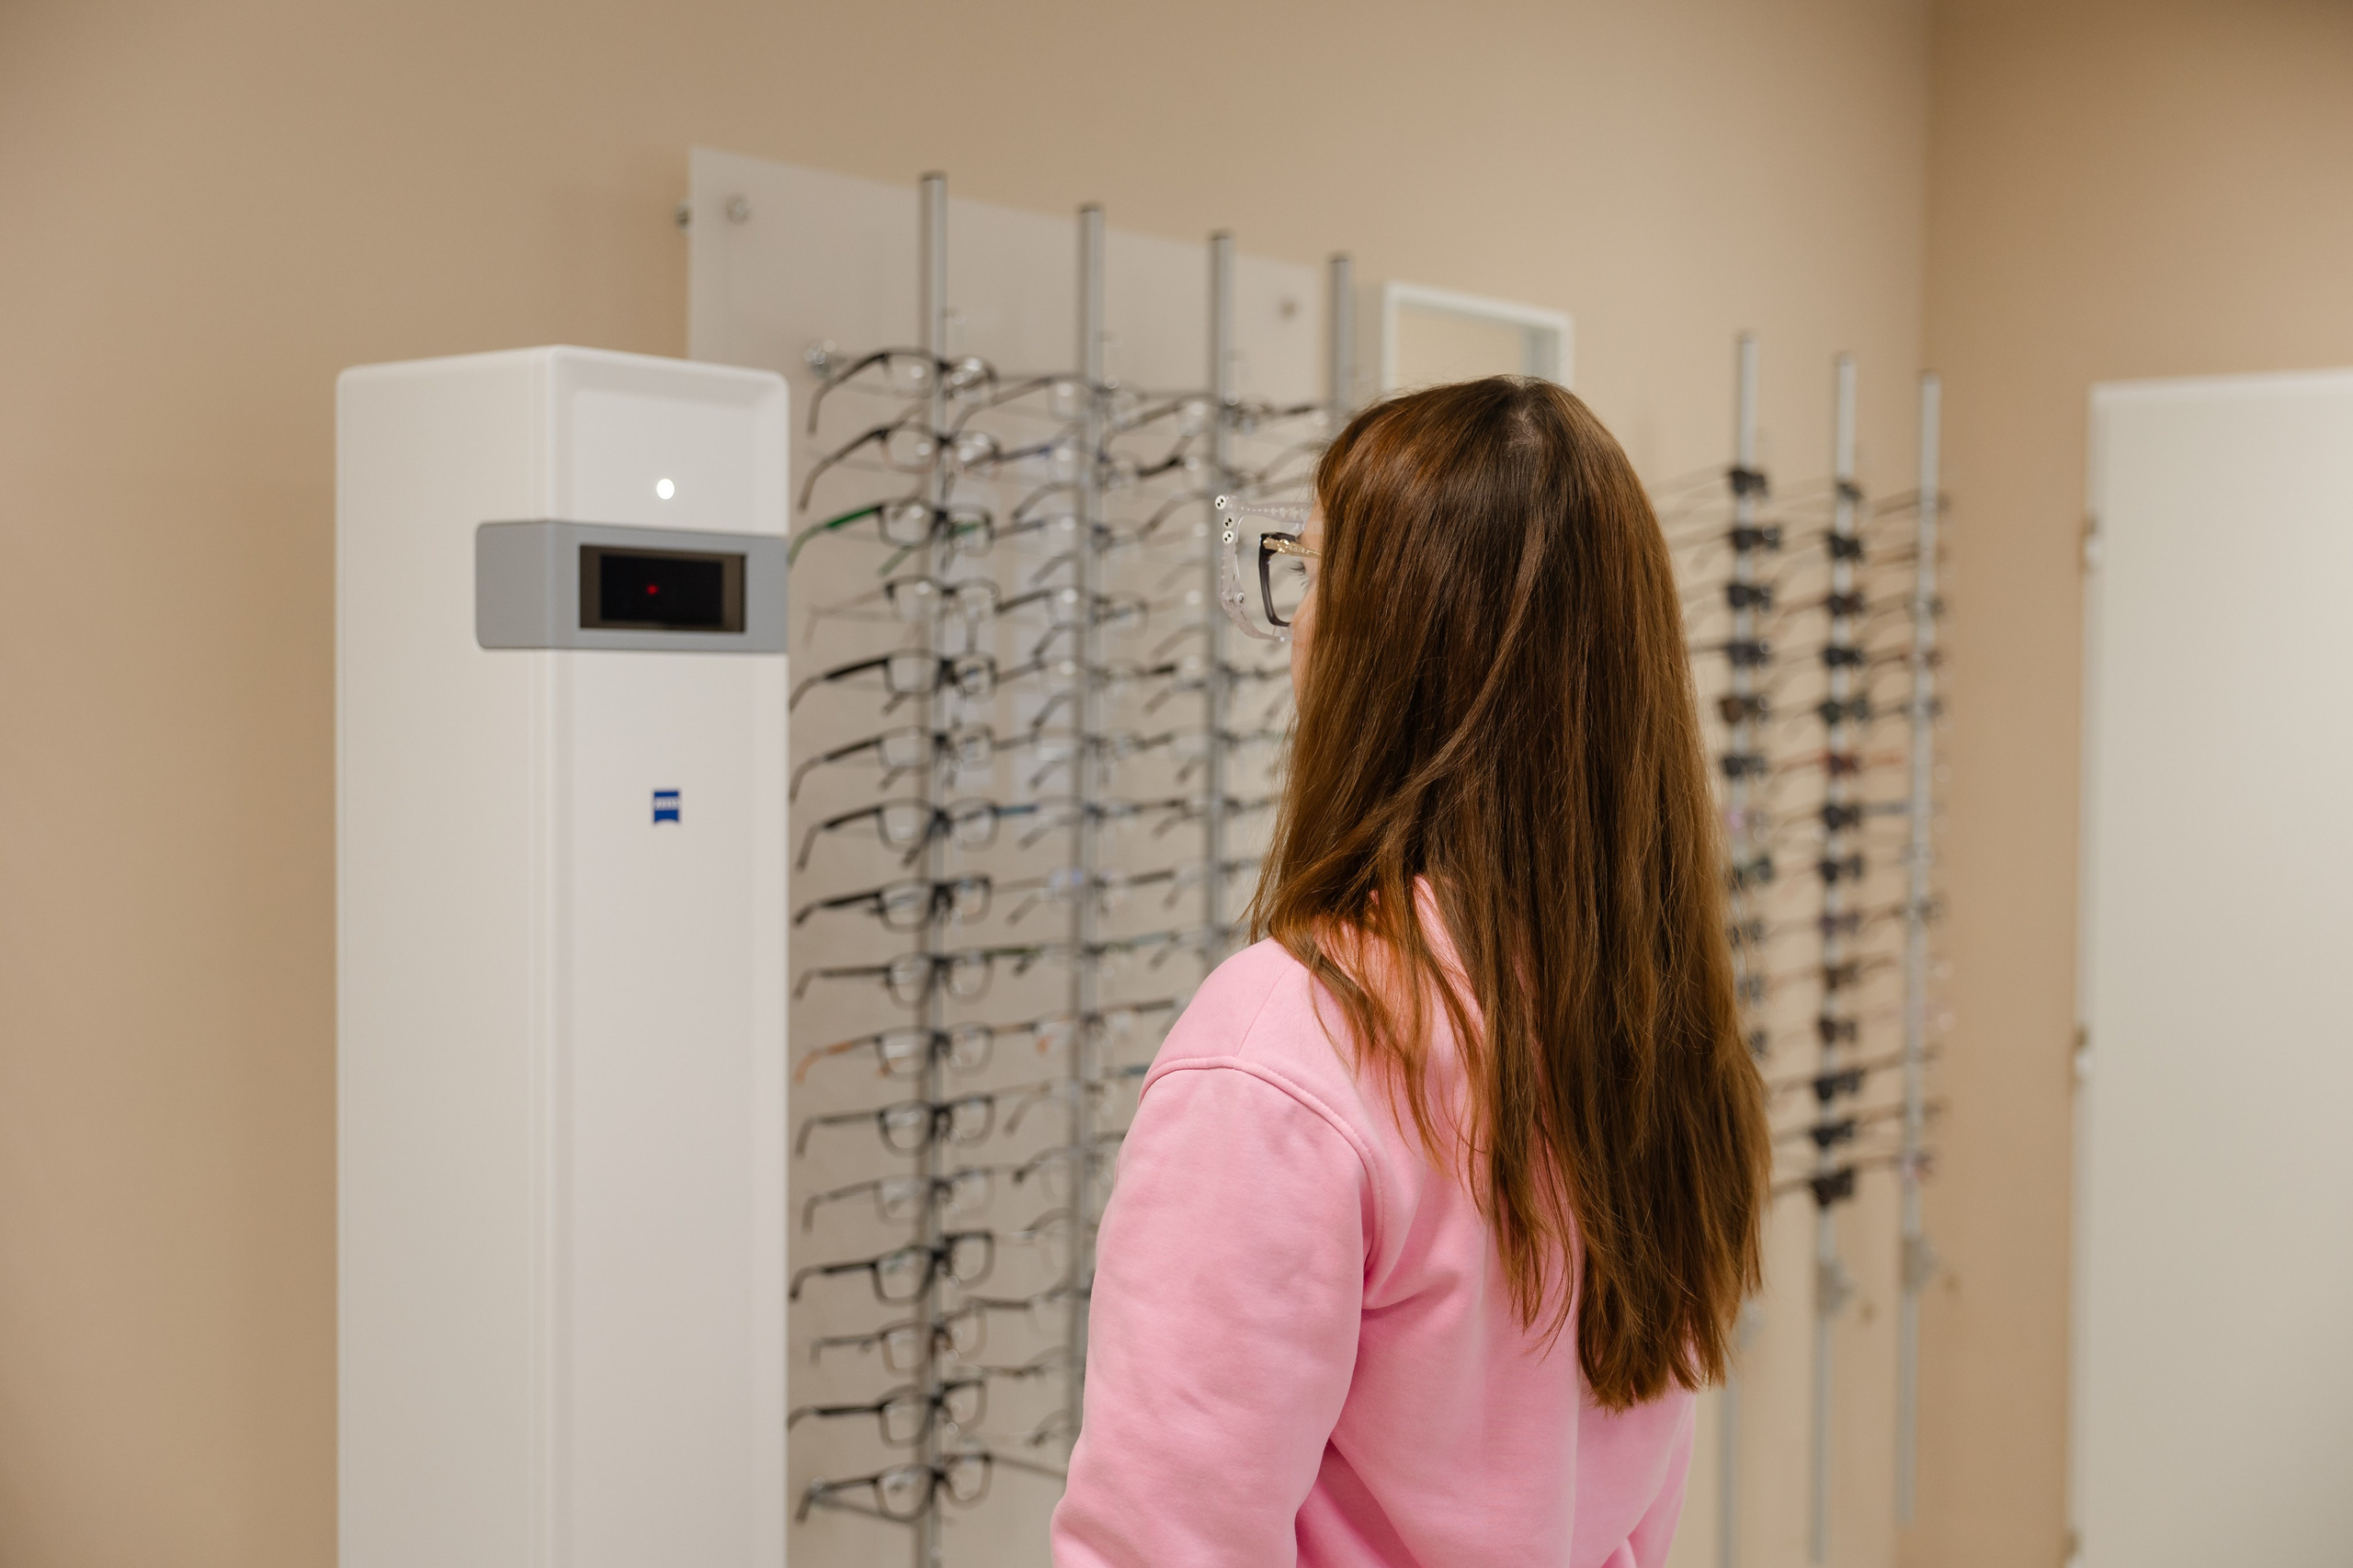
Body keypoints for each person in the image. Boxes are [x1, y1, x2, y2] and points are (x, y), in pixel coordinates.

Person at [1051, 377, 1771, 1568]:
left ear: (1382, 649)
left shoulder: (1288, 1046)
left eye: (1314, 575)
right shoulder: (1645, 1025)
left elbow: (1158, 1546)